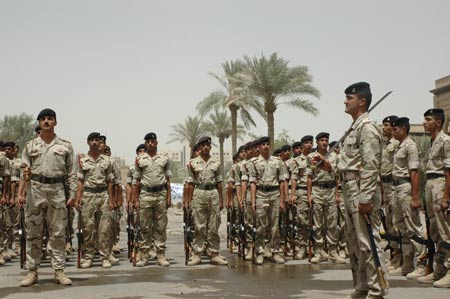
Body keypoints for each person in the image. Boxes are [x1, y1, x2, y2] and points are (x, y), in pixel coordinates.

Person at [337, 83, 387, 299]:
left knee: (368, 243)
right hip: (349, 188)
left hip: (360, 189)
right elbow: (348, 161)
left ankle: (377, 290)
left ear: (362, 101)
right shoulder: (354, 128)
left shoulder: (367, 127)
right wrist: (328, 165)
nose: (345, 101)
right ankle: (362, 286)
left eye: (349, 97)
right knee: (354, 242)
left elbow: (370, 165)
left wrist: (366, 198)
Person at [18, 108, 76, 286]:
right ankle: (32, 271)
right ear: (39, 123)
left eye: (49, 119)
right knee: (33, 232)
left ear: (55, 122)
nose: (46, 122)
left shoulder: (65, 146)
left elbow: (72, 172)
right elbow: (24, 171)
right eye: (42, 119)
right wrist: (22, 193)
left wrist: (72, 195)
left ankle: (59, 271)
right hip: (35, 190)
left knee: (58, 233)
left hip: (57, 190)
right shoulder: (30, 146)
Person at [387, 117, 427, 279]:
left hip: (406, 188)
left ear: (403, 129)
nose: (393, 131)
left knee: (413, 226)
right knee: (401, 227)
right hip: (397, 188)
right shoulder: (399, 146)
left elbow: (414, 172)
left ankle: (422, 262)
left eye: (396, 129)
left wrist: (416, 196)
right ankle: (407, 264)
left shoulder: (410, 146)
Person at [418, 108, 450, 287]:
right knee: (435, 231)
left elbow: (449, 171)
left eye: (428, 119)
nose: (424, 122)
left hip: (440, 185)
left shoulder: (446, 141)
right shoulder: (431, 141)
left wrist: (446, 196)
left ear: (438, 122)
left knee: (446, 229)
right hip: (430, 185)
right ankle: (439, 270)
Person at [185, 136, 228, 266]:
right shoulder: (192, 163)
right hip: (199, 193)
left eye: (208, 145)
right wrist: (189, 201)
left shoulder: (216, 163)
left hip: (213, 193)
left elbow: (220, 182)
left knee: (214, 224)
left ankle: (214, 253)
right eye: (203, 145)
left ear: (210, 147)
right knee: (199, 225)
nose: (205, 147)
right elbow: (190, 183)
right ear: (200, 147)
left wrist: (221, 199)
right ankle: (197, 254)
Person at [76, 132, 115, 269]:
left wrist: (110, 200)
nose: (94, 142)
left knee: (104, 228)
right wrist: (78, 198)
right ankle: (89, 257)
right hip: (88, 195)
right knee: (88, 228)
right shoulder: (83, 161)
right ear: (88, 142)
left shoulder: (107, 161)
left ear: (99, 142)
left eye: (96, 140)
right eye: (91, 140)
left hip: (103, 195)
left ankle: (104, 256)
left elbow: (110, 181)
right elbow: (80, 181)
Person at [133, 132, 172, 267]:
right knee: (145, 226)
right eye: (148, 141)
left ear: (156, 143)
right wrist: (136, 200)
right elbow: (137, 181)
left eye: (152, 141)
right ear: (145, 143)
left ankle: (160, 254)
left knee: (160, 226)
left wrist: (169, 197)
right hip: (145, 195)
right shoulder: (140, 159)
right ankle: (144, 255)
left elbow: (168, 180)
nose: (150, 143)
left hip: (160, 194)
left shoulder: (164, 159)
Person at [306, 133, 344, 264]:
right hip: (317, 190)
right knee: (318, 224)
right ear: (317, 142)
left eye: (326, 140)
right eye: (321, 140)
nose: (324, 142)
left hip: (331, 190)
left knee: (332, 223)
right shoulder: (311, 157)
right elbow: (309, 177)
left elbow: (338, 175)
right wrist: (309, 194)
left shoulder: (334, 156)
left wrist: (337, 194)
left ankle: (333, 251)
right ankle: (318, 251)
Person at [248, 136, 286, 265]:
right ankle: (259, 252)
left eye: (267, 144)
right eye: (262, 144)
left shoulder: (277, 161)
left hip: (274, 194)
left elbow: (282, 181)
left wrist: (282, 200)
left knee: (275, 226)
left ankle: (275, 251)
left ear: (270, 146)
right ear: (258, 147)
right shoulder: (253, 162)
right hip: (261, 194)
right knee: (261, 226)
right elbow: (252, 183)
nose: (265, 146)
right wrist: (253, 201)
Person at [379, 116, 401, 271]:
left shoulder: (397, 144)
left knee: (396, 221)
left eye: (386, 125)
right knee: (389, 222)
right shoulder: (384, 144)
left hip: (394, 185)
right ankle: (394, 255)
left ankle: (400, 257)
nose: (383, 128)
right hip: (385, 186)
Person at [290, 135, 314, 260]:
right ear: (302, 146)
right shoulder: (297, 161)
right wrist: (293, 194)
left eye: (311, 142)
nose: (309, 145)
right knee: (302, 221)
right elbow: (294, 178)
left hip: (316, 191)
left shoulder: (317, 158)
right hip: (302, 192)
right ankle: (302, 247)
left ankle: (317, 247)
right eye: (307, 143)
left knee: (317, 222)